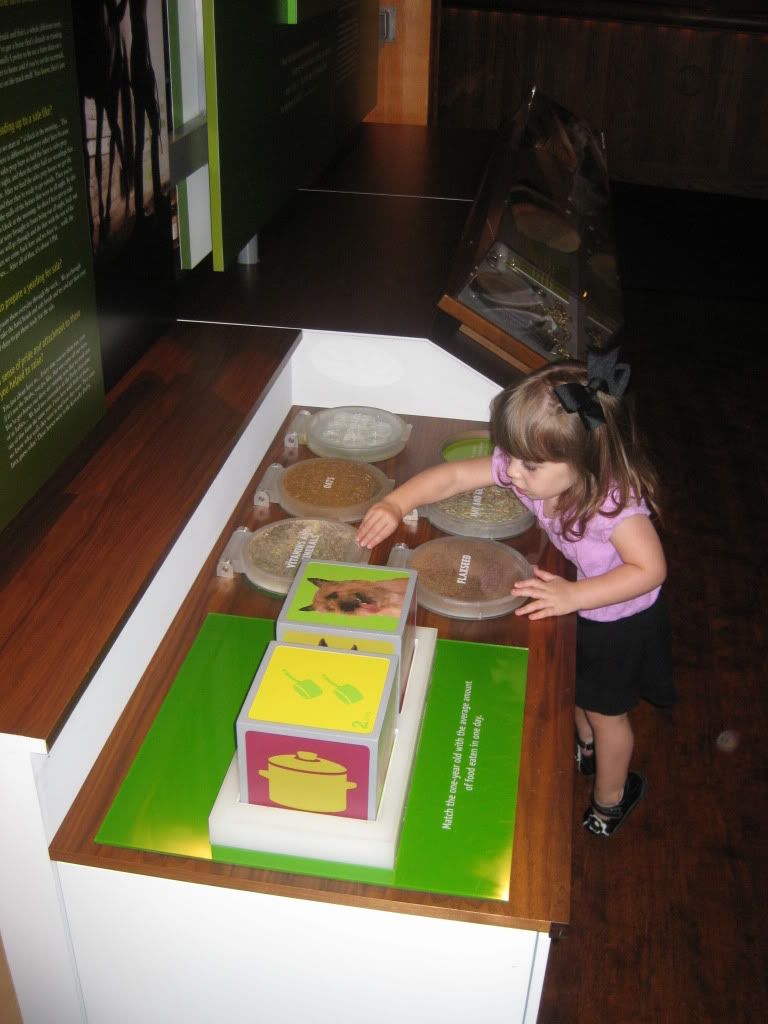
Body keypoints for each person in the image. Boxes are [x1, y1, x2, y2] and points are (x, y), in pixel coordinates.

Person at [356, 347, 675, 838]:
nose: (512, 475)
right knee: (578, 687)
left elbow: (650, 569)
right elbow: (456, 475)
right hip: (575, 597)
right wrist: (397, 503)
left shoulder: (614, 506)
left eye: (529, 467)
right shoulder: (535, 465)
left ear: (583, 459)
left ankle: (611, 799)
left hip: (620, 621)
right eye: (513, 460)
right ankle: (586, 748)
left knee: (606, 713)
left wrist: (575, 596)